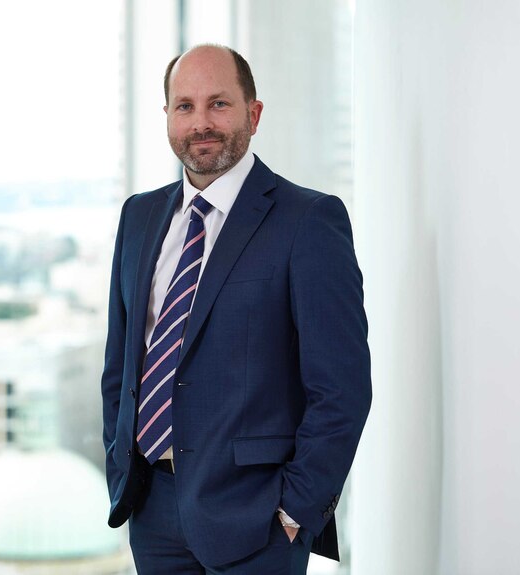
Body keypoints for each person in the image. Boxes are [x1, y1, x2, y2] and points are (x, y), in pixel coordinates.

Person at [100, 44, 372, 574]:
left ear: (254, 112)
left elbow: (342, 389)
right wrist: (121, 468)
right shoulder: (139, 217)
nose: (201, 123)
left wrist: (295, 510)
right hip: (151, 513)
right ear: (167, 118)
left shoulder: (309, 220)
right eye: (185, 106)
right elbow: (120, 367)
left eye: (218, 104)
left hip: (259, 523)